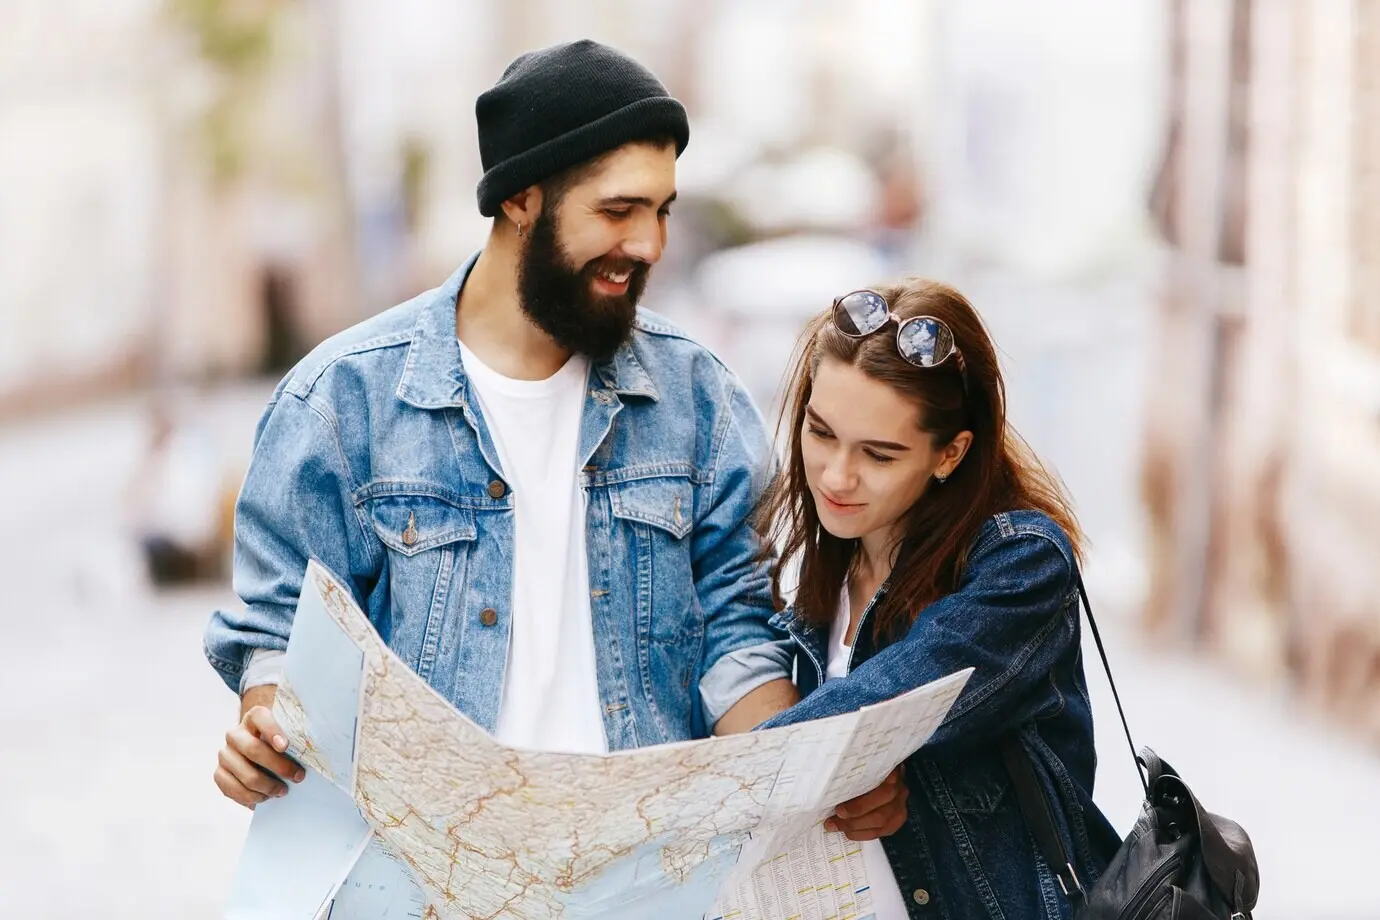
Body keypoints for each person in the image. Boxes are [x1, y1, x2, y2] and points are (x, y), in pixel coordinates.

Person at [204, 39, 904, 844]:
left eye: (661, 211)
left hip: (647, 872)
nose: (648, 245)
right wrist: (262, 734)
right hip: (425, 875)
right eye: (618, 211)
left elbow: (735, 630)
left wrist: (808, 776)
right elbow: (281, 637)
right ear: (521, 199)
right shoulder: (341, 403)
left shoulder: (698, 398)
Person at [753, 282, 1122, 919]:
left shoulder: (1020, 562)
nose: (837, 476)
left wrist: (697, 793)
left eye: (879, 454)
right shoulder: (822, 575)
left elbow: (881, 710)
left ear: (950, 453)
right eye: (821, 432)